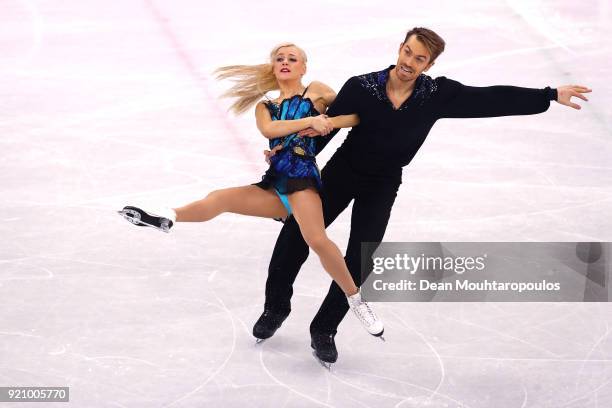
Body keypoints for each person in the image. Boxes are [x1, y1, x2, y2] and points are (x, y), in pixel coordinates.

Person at [257, 27, 592, 365]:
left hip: (383, 182)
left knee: (362, 256)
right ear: (400, 49)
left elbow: (490, 97)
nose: (410, 62)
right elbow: (324, 129)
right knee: (296, 233)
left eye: (420, 59)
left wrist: (548, 95)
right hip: (343, 172)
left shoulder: (435, 95)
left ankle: (325, 328)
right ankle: (275, 307)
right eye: (408, 53)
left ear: (428, 64)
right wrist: (285, 167)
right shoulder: (361, 86)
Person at [117, 43, 387, 344]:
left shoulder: (318, 90)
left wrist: (328, 122)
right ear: (273, 67)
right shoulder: (265, 107)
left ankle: (354, 299)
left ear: (303, 67)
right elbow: (269, 130)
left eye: (292, 58)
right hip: (276, 182)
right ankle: (169, 216)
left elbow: (354, 117)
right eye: (279, 58)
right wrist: (309, 122)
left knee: (316, 239)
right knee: (221, 198)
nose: (285, 62)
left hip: (301, 180)